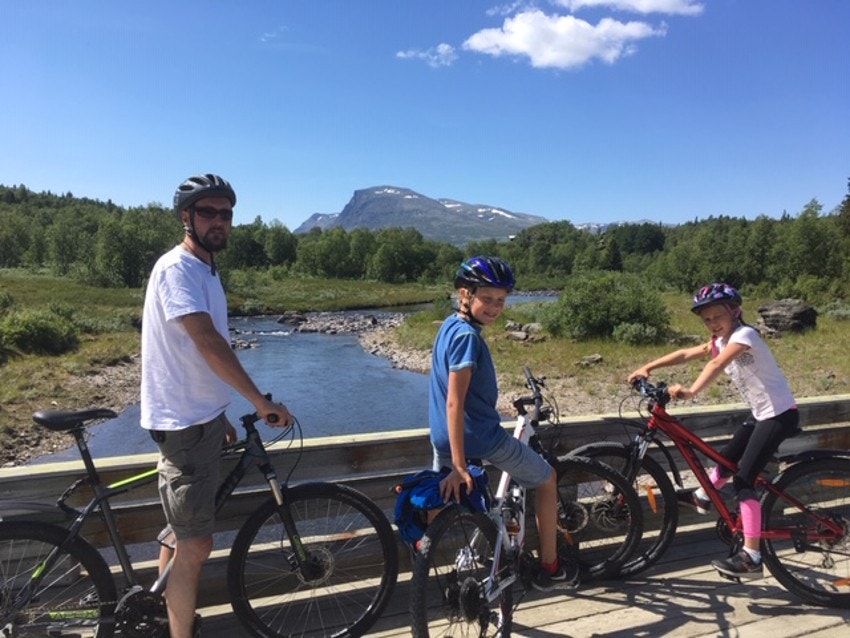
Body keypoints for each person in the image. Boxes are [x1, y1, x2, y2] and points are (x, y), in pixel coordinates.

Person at [141, 173, 293, 638]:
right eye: (208, 212)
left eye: (226, 214)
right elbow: (207, 341)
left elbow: (194, 356)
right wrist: (258, 401)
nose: (219, 221)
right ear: (185, 217)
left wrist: (220, 411)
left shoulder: (205, 270)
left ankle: (162, 613)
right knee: (197, 544)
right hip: (183, 426)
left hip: (200, 419)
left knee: (182, 533)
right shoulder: (178, 269)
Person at [627, 283, 799, 579]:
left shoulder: (745, 336)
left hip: (779, 415)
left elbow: (718, 363)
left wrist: (691, 391)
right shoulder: (720, 340)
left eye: (718, 316)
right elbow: (686, 353)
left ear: (735, 311)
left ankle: (752, 557)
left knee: (744, 480)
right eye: (707, 319)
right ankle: (703, 496)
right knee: (725, 460)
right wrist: (647, 367)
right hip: (761, 414)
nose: (713, 323)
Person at [429, 255, 577, 591]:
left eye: (501, 300)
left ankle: (425, 573)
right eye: (488, 299)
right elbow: (454, 401)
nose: (495, 308)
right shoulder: (467, 337)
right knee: (547, 479)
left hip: (442, 436)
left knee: (437, 506)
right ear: (465, 294)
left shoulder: (448, 326)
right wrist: (459, 465)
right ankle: (550, 567)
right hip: (480, 438)